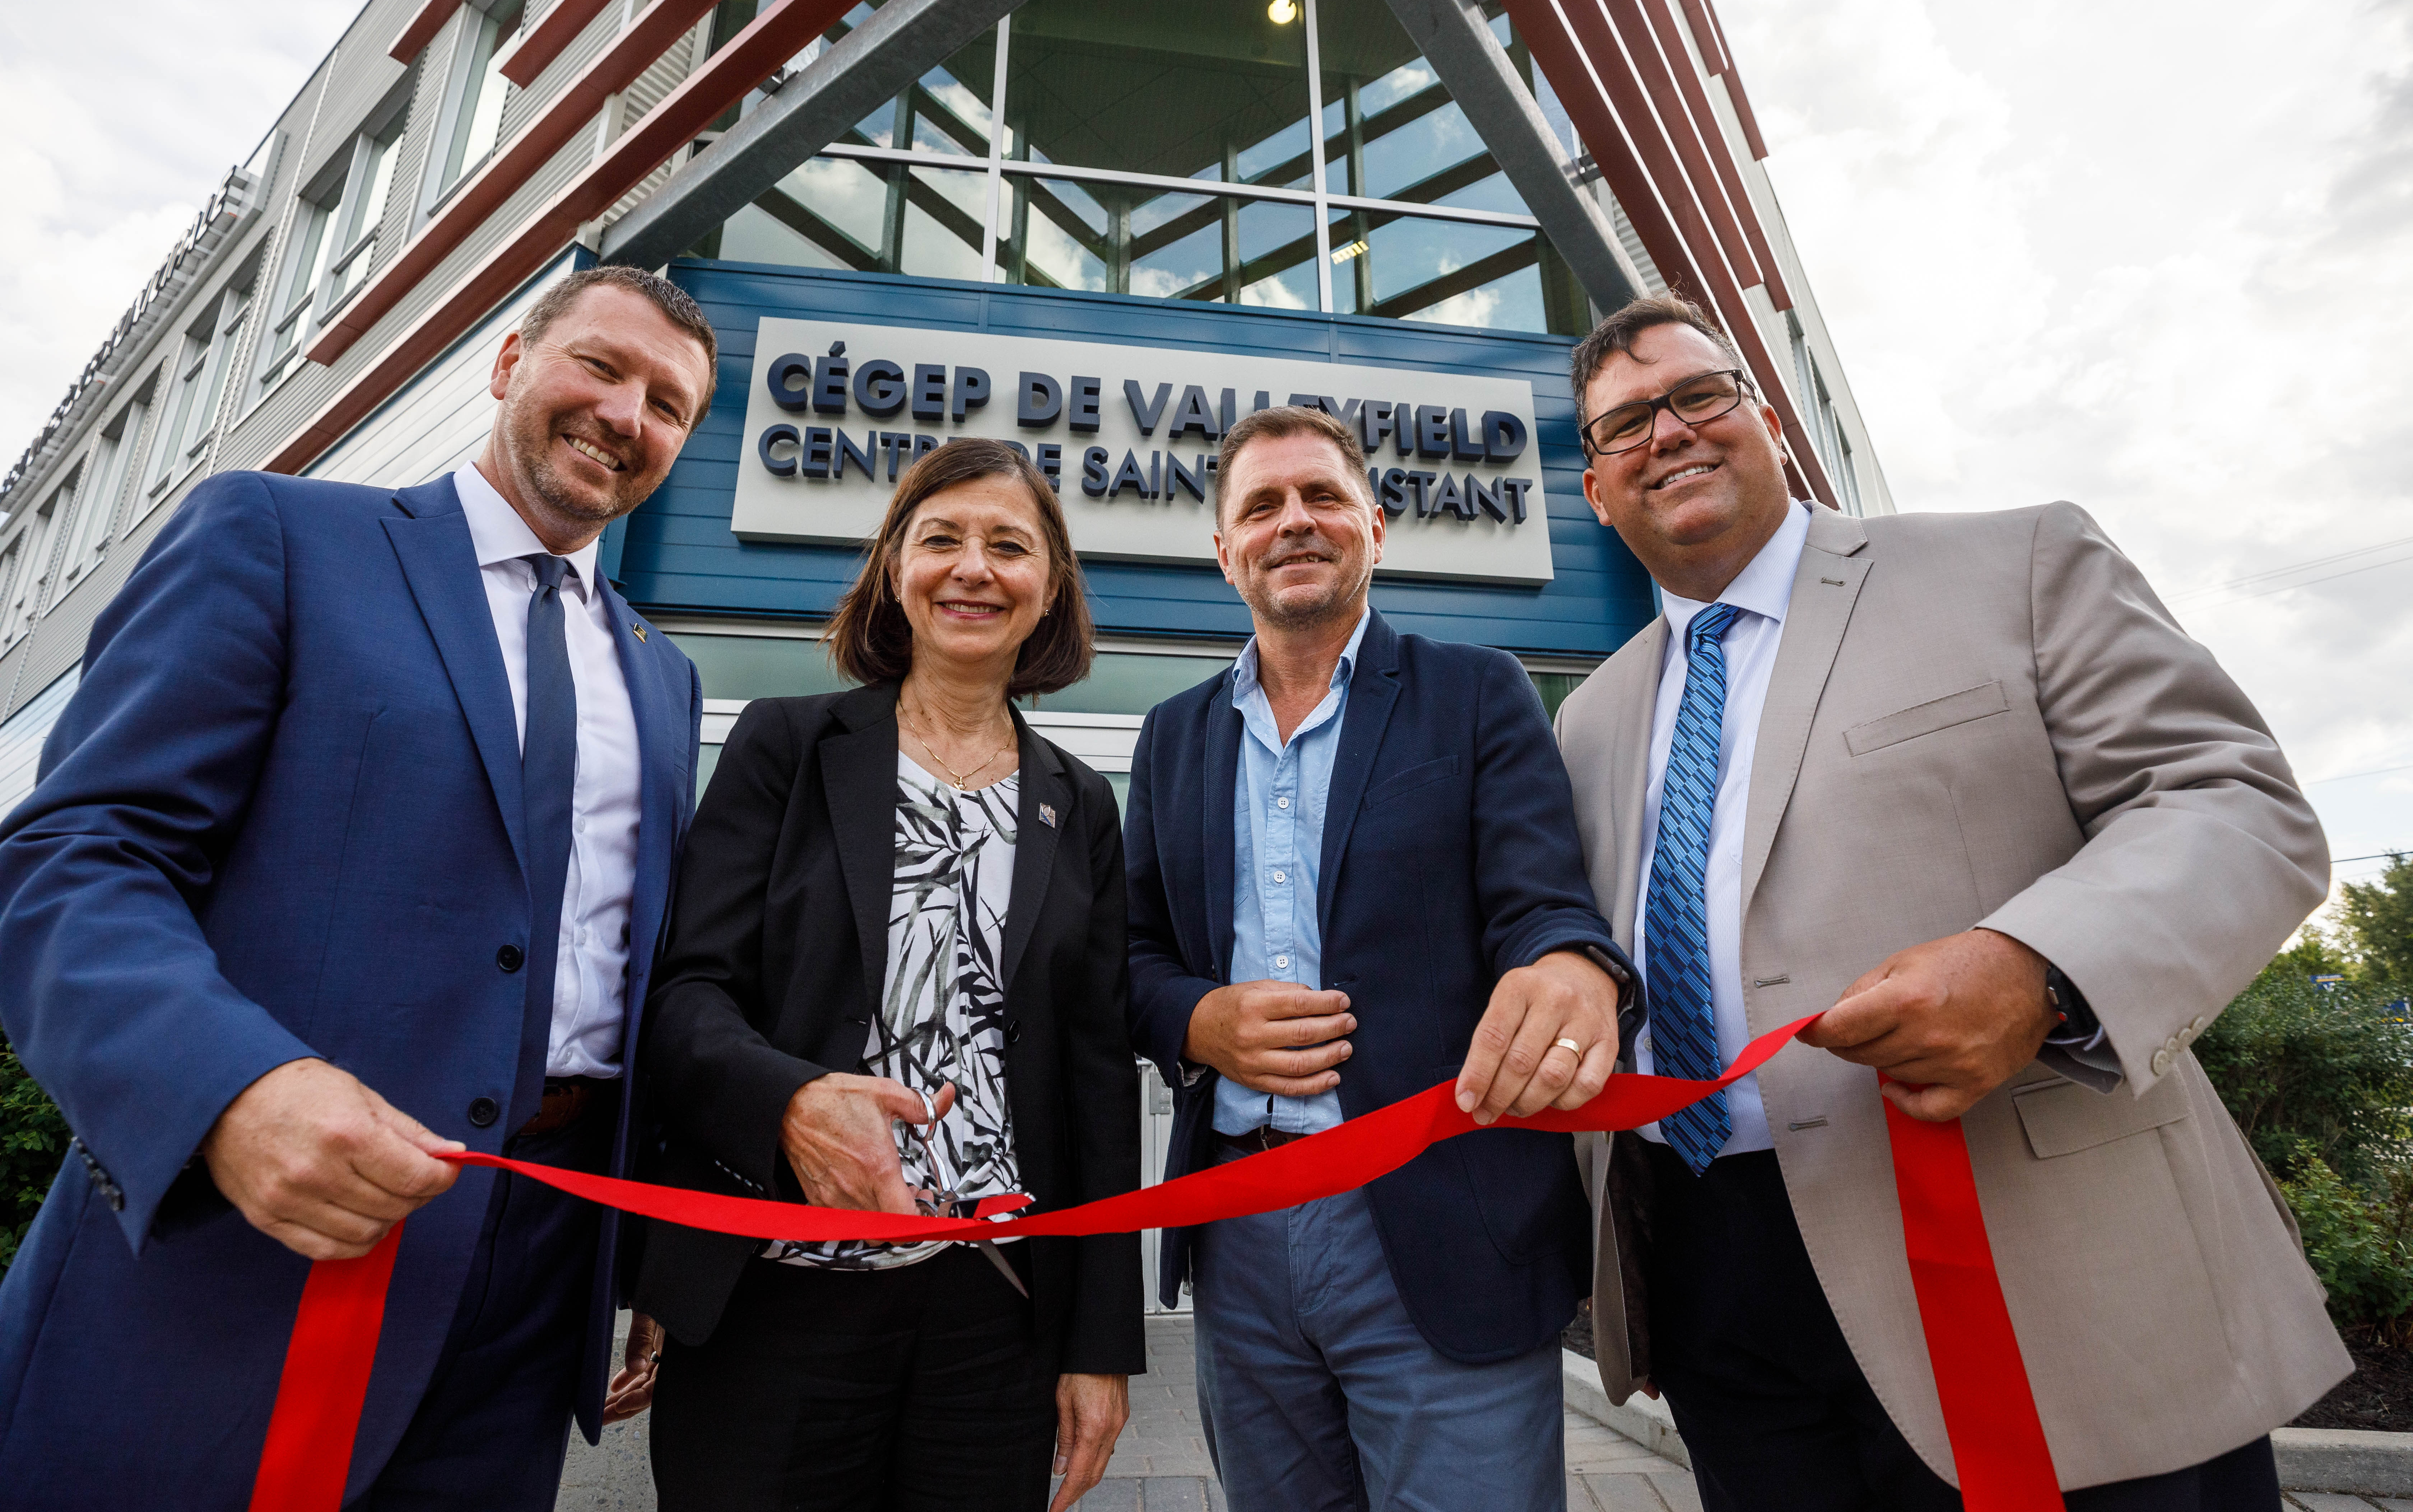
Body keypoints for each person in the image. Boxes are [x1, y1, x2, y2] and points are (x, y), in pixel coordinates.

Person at [1554, 293, 2350, 1510]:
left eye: (1697, 395)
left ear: (1764, 417)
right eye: (1624, 427)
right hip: (1722, 1284)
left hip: (2039, 1259)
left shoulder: (2014, 561)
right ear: (1600, 490)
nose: (1667, 433)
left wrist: (2040, 967)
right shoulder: (1591, 716)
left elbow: (2235, 802)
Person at [0, 264, 718, 1507]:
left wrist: (643, 1246)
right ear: (508, 362)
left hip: (537, 1283)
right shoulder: (277, 536)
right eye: (601, 367)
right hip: (250, 1247)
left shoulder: (666, 676)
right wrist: (226, 1090)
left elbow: (628, 976)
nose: (626, 415)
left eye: (669, 405)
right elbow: (75, 859)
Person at [1123, 405, 1640, 1512]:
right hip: (1238, 1231)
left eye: (1322, 498)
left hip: (1437, 1219)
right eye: (1260, 507)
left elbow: (1543, 908)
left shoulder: (1478, 690)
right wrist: (1198, 1019)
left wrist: (1570, 969)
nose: (1293, 523)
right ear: (1226, 553)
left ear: (1377, 525)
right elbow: (1133, 953)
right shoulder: (1173, 735)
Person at [636, 437, 1142, 1512]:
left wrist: (1101, 1346)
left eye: (1010, 546)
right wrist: (790, 1102)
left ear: (1050, 590)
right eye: (941, 538)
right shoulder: (786, 746)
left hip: (994, 1313)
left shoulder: (1080, 802)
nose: (974, 567)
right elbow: (683, 998)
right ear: (893, 571)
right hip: (778, 1293)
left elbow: (1096, 1080)